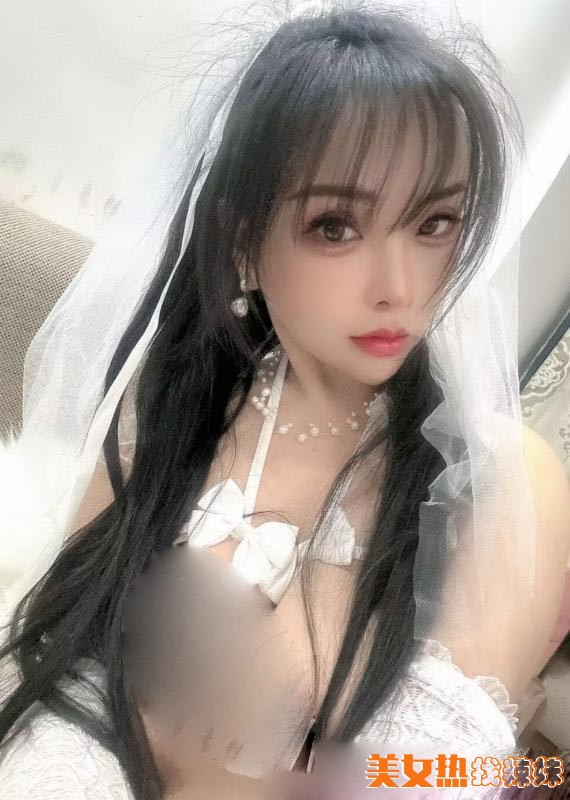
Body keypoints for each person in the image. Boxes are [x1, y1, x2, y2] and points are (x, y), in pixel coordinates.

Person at [0, 1, 568, 798]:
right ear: (243, 239)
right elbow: (67, 655)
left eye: (434, 222)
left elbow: (441, 776)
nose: (400, 287)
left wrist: (245, 755)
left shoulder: (502, 477)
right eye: (335, 227)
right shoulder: (177, 399)